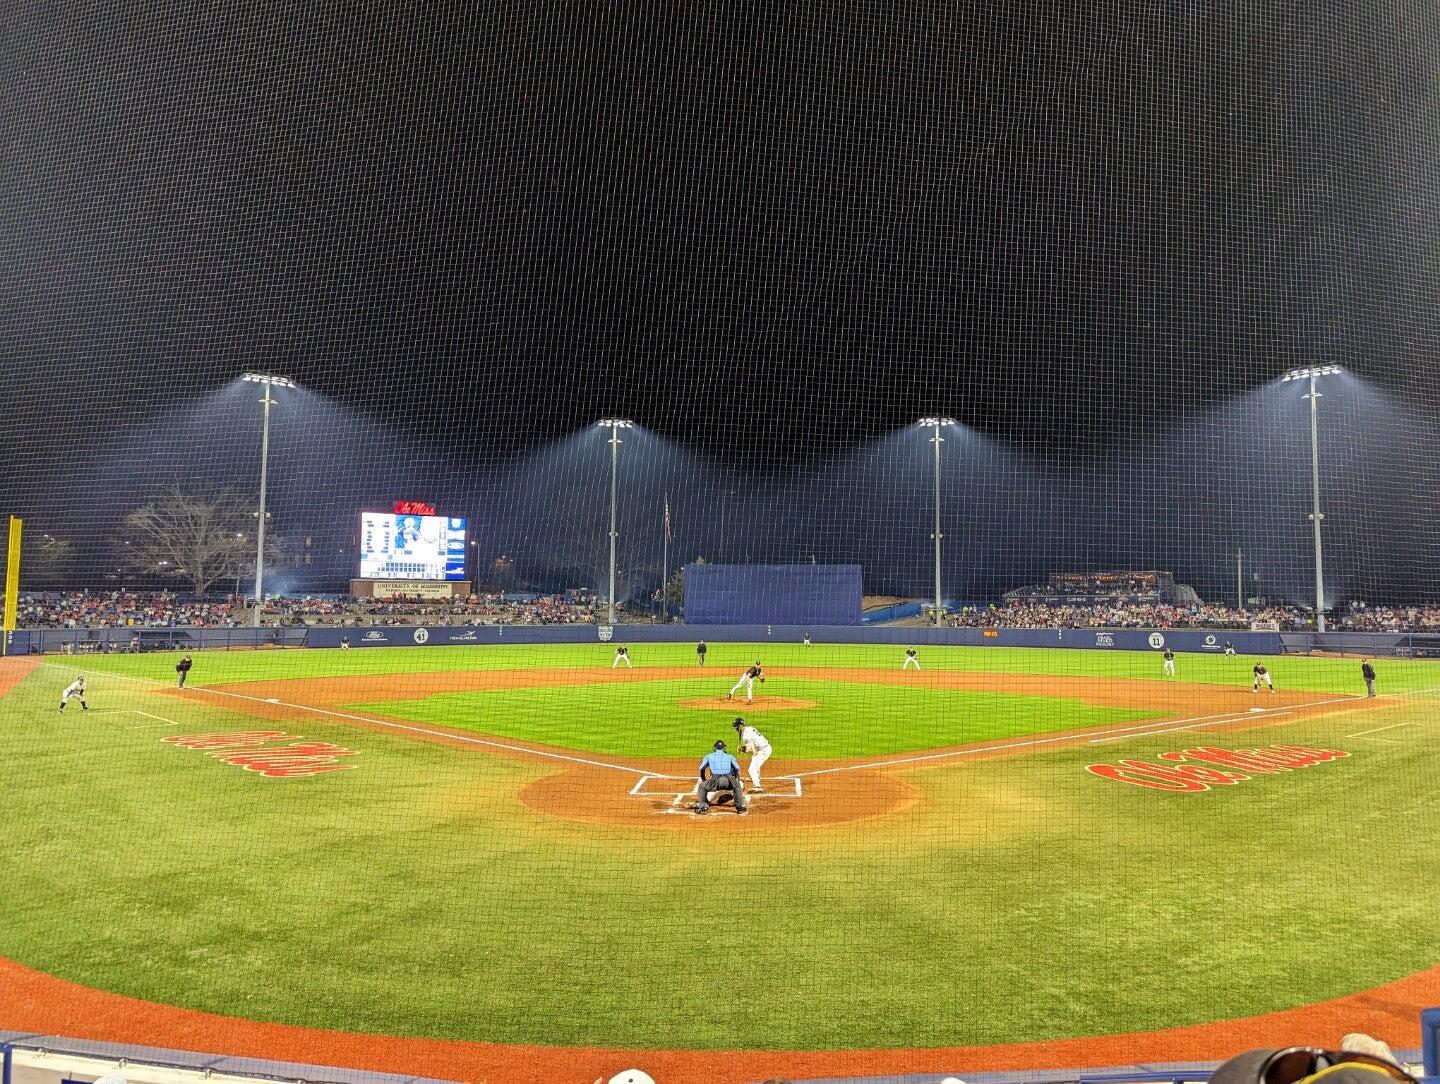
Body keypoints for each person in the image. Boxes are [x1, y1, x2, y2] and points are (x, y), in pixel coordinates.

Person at [695, 739, 747, 815]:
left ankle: (703, 807)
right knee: (738, 785)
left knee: (702, 787)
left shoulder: (709, 756)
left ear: (714, 748)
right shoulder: (730, 757)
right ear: (724, 748)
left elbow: (701, 769)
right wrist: (735, 780)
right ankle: (740, 808)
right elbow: (737, 769)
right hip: (729, 781)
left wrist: (703, 779)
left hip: (715, 781)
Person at [733, 716, 772, 791]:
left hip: (763, 751)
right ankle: (757, 777)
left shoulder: (745, 736)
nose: (736, 729)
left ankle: (757, 786)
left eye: (736, 727)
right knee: (754, 760)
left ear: (740, 726)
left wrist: (742, 749)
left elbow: (752, 750)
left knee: (751, 769)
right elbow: (753, 745)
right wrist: (744, 747)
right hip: (765, 747)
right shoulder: (749, 728)